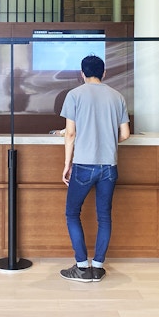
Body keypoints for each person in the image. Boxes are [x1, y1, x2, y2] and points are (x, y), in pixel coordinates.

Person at [59, 54, 130, 282]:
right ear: (104, 73)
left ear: (82, 73)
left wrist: (67, 164)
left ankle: (81, 267)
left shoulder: (74, 95)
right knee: (104, 217)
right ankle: (98, 267)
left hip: (83, 165)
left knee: (72, 213)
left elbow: (70, 133)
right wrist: (106, 140)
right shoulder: (117, 96)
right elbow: (125, 134)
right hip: (109, 165)